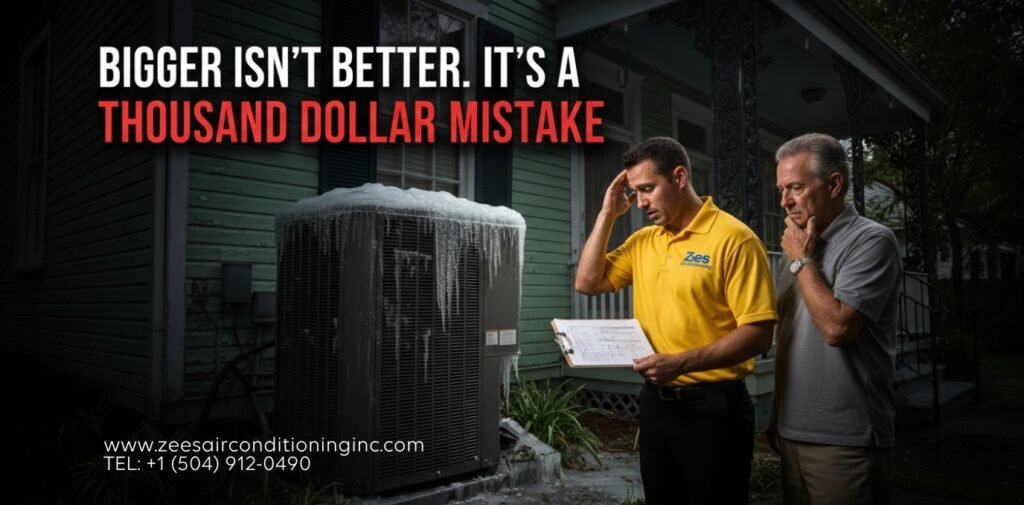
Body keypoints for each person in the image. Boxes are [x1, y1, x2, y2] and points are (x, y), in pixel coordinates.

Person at [575, 136, 778, 504]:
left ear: (680, 177)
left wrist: (681, 362)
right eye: (635, 193)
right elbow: (587, 282)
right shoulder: (644, 242)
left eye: (648, 189)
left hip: (715, 409)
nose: (640, 203)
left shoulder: (735, 240)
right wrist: (607, 213)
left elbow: (759, 333)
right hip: (656, 405)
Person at [767, 133, 901, 505]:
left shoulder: (872, 241)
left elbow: (837, 327)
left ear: (835, 184)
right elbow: (790, 338)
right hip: (793, 431)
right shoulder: (796, 250)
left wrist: (800, 261)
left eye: (794, 187)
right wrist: (779, 412)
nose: (785, 201)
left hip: (847, 439)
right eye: (781, 189)